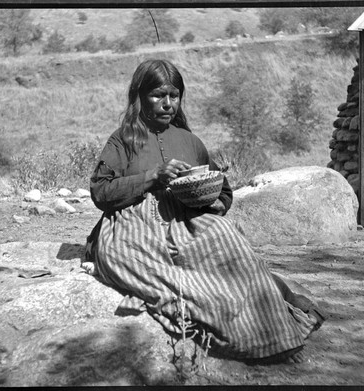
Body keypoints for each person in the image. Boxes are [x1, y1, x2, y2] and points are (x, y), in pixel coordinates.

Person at [85, 59, 326, 363]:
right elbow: (100, 191)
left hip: (188, 220)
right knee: (144, 265)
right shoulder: (123, 139)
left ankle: (272, 334)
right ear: (140, 96)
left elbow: (223, 191)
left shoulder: (190, 141)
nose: (168, 103)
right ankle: (224, 329)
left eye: (174, 96)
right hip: (134, 224)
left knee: (230, 243)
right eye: (158, 95)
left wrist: (210, 202)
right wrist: (152, 176)